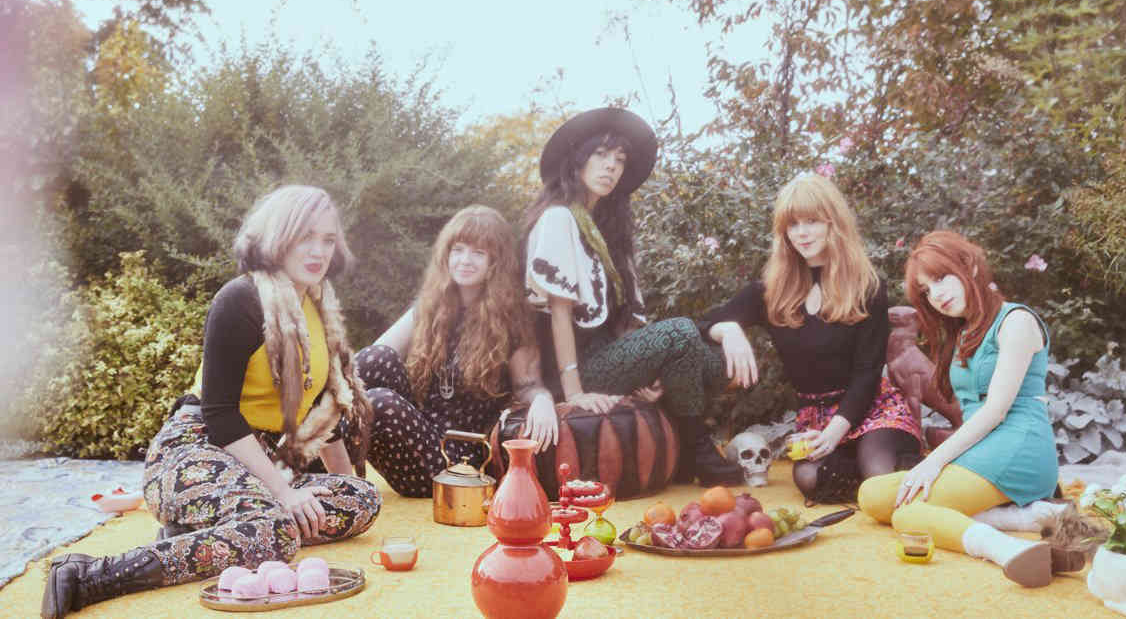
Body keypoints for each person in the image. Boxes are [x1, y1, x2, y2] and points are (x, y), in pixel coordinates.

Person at [41, 185, 380, 618]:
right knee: (273, 530)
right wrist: (283, 493)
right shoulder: (240, 299)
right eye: (305, 237)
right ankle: (90, 575)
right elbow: (220, 417)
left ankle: (200, 531)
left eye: (328, 239)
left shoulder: (317, 304)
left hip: (259, 462)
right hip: (195, 449)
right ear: (277, 236)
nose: (319, 251)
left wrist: (347, 483)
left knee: (362, 499)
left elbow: (319, 411)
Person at [522, 107, 741, 486]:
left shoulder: (611, 231)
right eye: (600, 155)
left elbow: (625, 324)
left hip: (610, 356)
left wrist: (650, 369)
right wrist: (574, 393)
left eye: (620, 160)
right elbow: (558, 311)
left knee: (717, 363)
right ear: (578, 160)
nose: (611, 166)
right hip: (573, 367)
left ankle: (684, 450)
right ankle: (697, 449)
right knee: (681, 331)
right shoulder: (559, 218)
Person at [857, 230, 1066, 587]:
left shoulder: (1016, 321)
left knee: (908, 514)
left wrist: (933, 461)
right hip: (984, 451)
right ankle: (1024, 518)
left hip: (1018, 449)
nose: (936, 295)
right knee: (872, 496)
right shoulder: (965, 330)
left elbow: (995, 411)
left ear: (970, 266)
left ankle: (1006, 549)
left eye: (941, 278)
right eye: (926, 290)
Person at [700, 174, 921, 502]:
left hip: (870, 408)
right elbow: (702, 323)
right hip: (815, 417)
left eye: (812, 221)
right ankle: (861, 466)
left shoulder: (867, 288)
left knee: (879, 474)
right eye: (793, 224)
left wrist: (835, 433)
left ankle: (893, 464)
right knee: (810, 478)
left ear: (834, 224)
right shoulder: (771, 291)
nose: (801, 233)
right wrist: (729, 329)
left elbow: (867, 373)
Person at [355, 205, 559, 497]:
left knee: (379, 402)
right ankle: (309, 460)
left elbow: (529, 385)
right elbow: (370, 360)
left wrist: (542, 400)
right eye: (458, 250)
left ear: (496, 262)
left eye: (478, 253)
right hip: (418, 431)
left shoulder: (511, 319)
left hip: (458, 462)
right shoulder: (431, 305)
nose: (465, 260)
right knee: (377, 360)